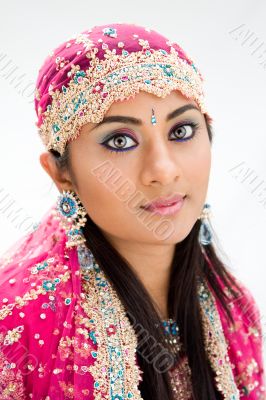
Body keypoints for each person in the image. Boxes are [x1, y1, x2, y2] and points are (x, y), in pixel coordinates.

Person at [0, 22, 265, 400]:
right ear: (61, 172)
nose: (164, 170)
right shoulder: (17, 323)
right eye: (120, 140)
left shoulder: (233, 308)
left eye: (181, 132)